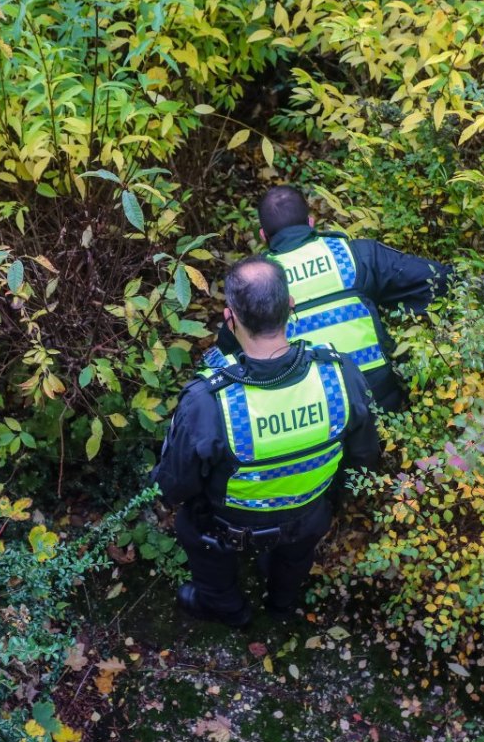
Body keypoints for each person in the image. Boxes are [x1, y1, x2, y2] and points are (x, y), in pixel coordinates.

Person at [153, 256, 380, 627]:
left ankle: (228, 609)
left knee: (192, 528)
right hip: (309, 514)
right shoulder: (339, 374)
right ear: (290, 306)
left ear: (230, 318)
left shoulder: (209, 400)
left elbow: (174, 484)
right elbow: (364, 454)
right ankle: (281, 604)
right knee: (295, 557)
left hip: (228, 525)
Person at [210, 185, 454, 412]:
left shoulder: (258, 281)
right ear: (311, 222)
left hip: (312, 409)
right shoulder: (355, 254)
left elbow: (227, 354)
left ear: (263, 235)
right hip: (376, 400)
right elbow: (438, 281)